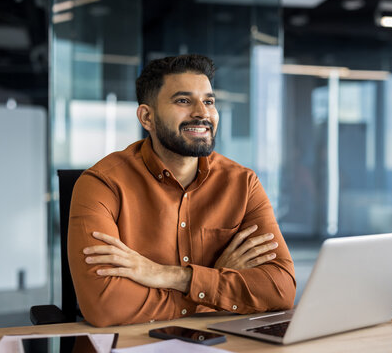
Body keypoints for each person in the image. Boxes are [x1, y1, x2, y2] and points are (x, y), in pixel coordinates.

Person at [68, 54, 296, 327]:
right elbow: (106, 306)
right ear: (147, 117)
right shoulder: (102, 183)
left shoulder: (243, 183)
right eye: (183, 101)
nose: (202, 112)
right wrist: (212, 283)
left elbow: (281, 289)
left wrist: (172, 277)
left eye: (209, 101)